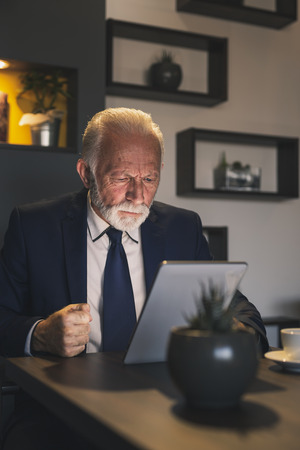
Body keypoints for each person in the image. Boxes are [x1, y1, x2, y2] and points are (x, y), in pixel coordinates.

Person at [0, 108, 268, 449]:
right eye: (122, 178)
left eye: (150, 179)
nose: (138, 196)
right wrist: (39, 335)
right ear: (86, 173)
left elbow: (240, 311)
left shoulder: (183, 228)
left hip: (166, 403)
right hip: (58, 413)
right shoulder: (33, 226)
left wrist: (237, 333)